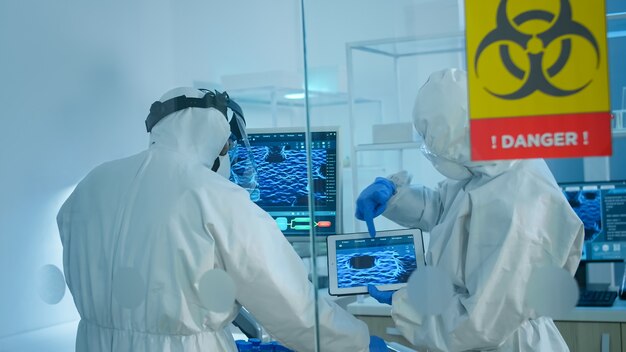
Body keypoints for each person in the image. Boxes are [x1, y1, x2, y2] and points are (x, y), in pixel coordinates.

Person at [57, 87, 386, 352]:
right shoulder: (216, 196)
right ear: (215, 140)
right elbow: (293, 308)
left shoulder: (90, 185)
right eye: (227, 145)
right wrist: (356, 341)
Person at [355, 68, 584, 351]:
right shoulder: (485, 169)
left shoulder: (520, 204)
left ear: (461, 138)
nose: (431, 153)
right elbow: (446, 210)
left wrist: (407, 302)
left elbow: (478, 326)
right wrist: (393, 198)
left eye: (434, 145)